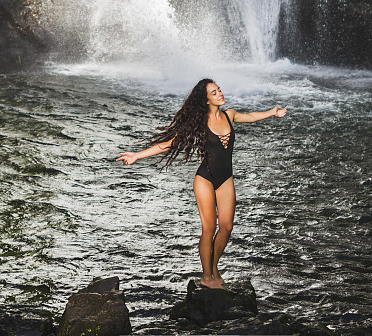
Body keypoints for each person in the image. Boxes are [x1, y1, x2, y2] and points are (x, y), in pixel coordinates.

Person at [116, 78, 287, 289]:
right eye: (214, 93)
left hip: (226, 179)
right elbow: (168, 144)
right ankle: (207, 276)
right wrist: (137, 156)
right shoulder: (198, 123)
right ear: (206, 100)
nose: (220, 94)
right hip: (205, 179)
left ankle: (214, 267)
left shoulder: (229, 115)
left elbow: (250, 116)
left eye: (219, 90)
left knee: (226, 227)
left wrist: (272, 112)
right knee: (209, 228)